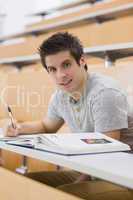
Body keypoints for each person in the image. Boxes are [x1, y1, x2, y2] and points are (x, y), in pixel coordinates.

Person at [5, 32, 133, 199]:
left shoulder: (105, 93)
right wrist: (19, 128)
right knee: (25, 184)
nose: (60, 75)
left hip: (122, 177)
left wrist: (77, 182)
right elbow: (46, 126)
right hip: (94, 172)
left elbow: (105, 154)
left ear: (82, 61)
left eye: (66, 65)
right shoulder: (61, 95)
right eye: (52, 69)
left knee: (60, 194)